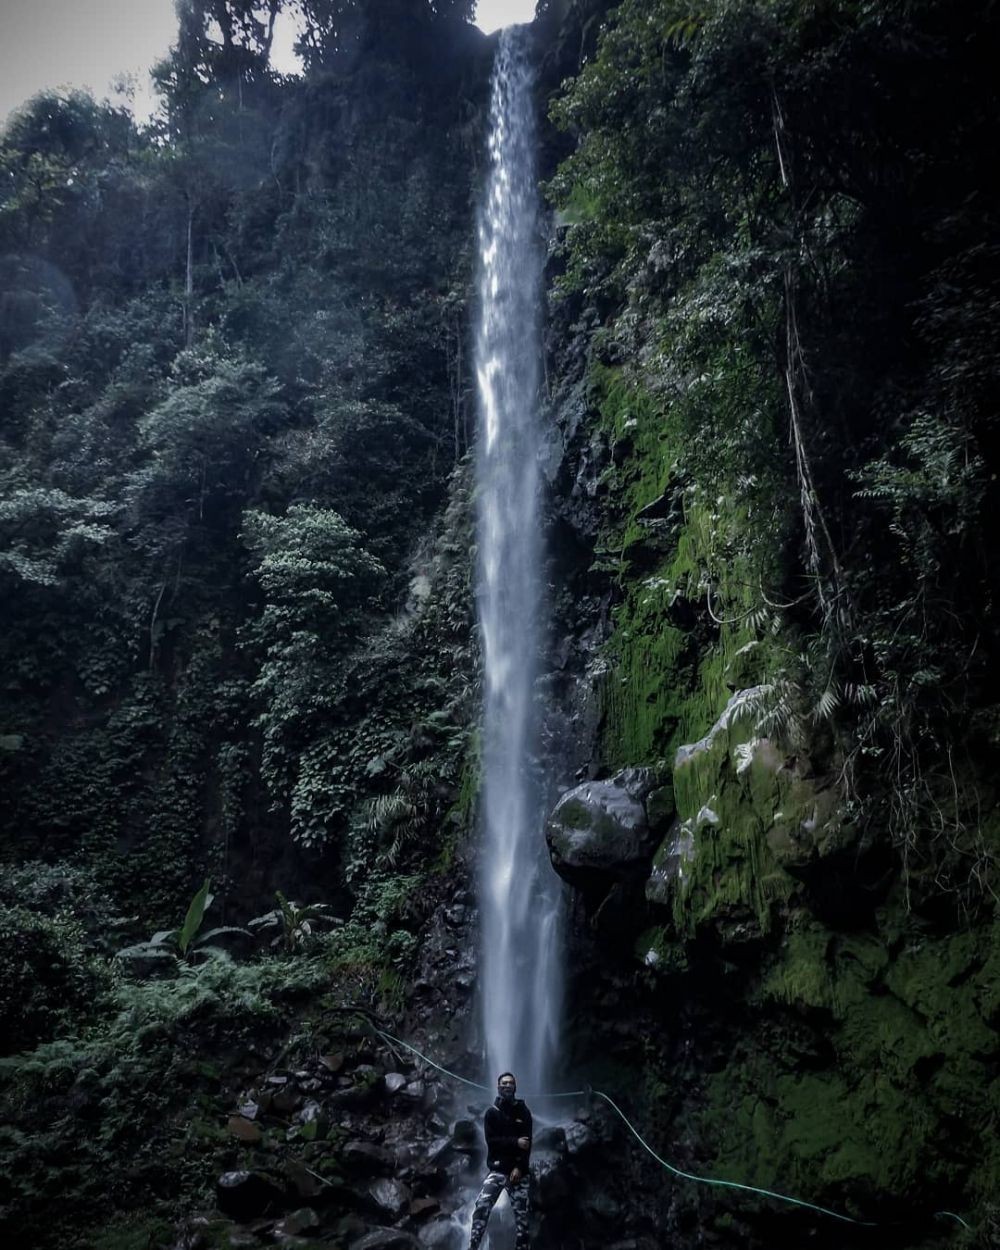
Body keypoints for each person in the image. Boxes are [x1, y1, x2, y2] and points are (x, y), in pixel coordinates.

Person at [469, 1072, 532, 1250]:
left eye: (510, 1083)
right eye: (503, 1083)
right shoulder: (491, 1114)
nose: (507, 1086)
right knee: (481, 1206)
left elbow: (528, 1143)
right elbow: (492, 1141)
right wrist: (515, 1142)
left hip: (519, 1172)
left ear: (515, 1087)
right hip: (497, 1171)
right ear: (498, 1087)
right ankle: (473, 1246)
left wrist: (519, 1167)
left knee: (523, 1218)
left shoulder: (524, 1112)